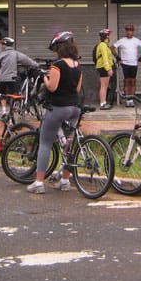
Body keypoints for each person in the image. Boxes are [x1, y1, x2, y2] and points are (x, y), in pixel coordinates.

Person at [27, 31, 82, 194]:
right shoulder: (78, 65)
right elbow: (77, 89)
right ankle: (65, 181)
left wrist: (44, 77)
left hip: (58, 108)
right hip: (75, 109)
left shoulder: (57, 65)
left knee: (45, 144)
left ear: (60, 48)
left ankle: (38, 183)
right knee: (69, 145)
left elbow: (52, 87)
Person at [0, 37, 39, 115]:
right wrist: (36, 65)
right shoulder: (16, 54)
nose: (1, 46)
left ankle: (4, 111)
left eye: (2, 44)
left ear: (5, 45)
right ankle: (11, 113)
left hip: (2, 78)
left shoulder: (0, 54)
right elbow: (27, 60)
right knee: (13, 95)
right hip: (12, 78)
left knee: (3, 94)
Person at [113, 24, 141, 107]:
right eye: (127, 30)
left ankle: (132, 99)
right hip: (125, 64)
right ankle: (128, 99)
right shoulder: (122, 40)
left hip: (134, 64)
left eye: (130, 30)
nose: (129, 32)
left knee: (133, 81)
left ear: (133, 32)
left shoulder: (136, 40)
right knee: (127, 81)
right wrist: (117, 57)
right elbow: (112, 48)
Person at [94, 29, 115, 109]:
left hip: (103, 66)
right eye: (109, 35)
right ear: (106, 36)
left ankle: (103, 102)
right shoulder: (103, 45)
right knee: (104, 86)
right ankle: (102, 103)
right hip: (103, 67)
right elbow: (105, 58)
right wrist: (108, 69)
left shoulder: (104, 45)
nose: (110, 37)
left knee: (105, 86)